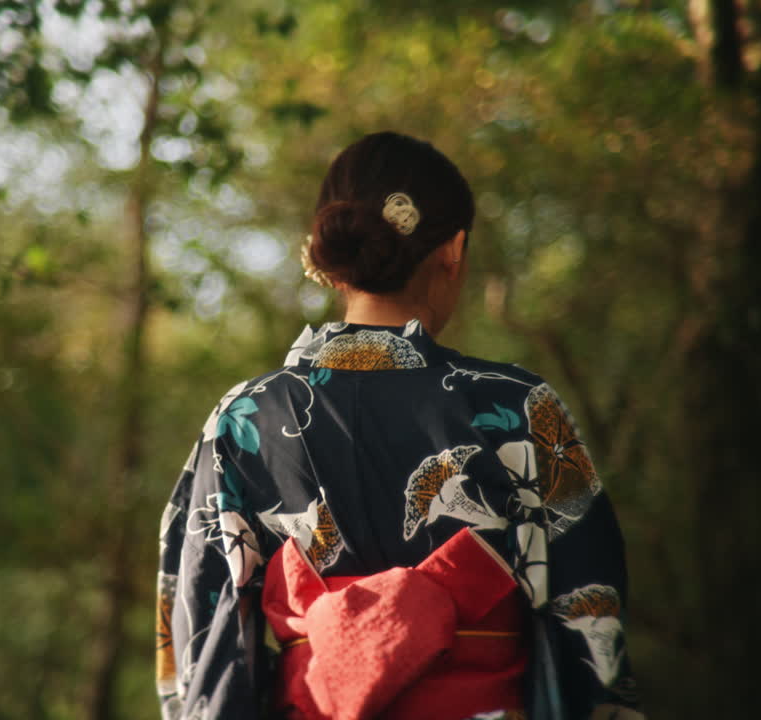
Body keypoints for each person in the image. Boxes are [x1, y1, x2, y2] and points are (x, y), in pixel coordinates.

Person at [156, 132, 643, 720]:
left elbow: (200, 629)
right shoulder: (518, 406)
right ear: (454, 250)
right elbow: (592, 619)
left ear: (328, 259)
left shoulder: (244, 417)